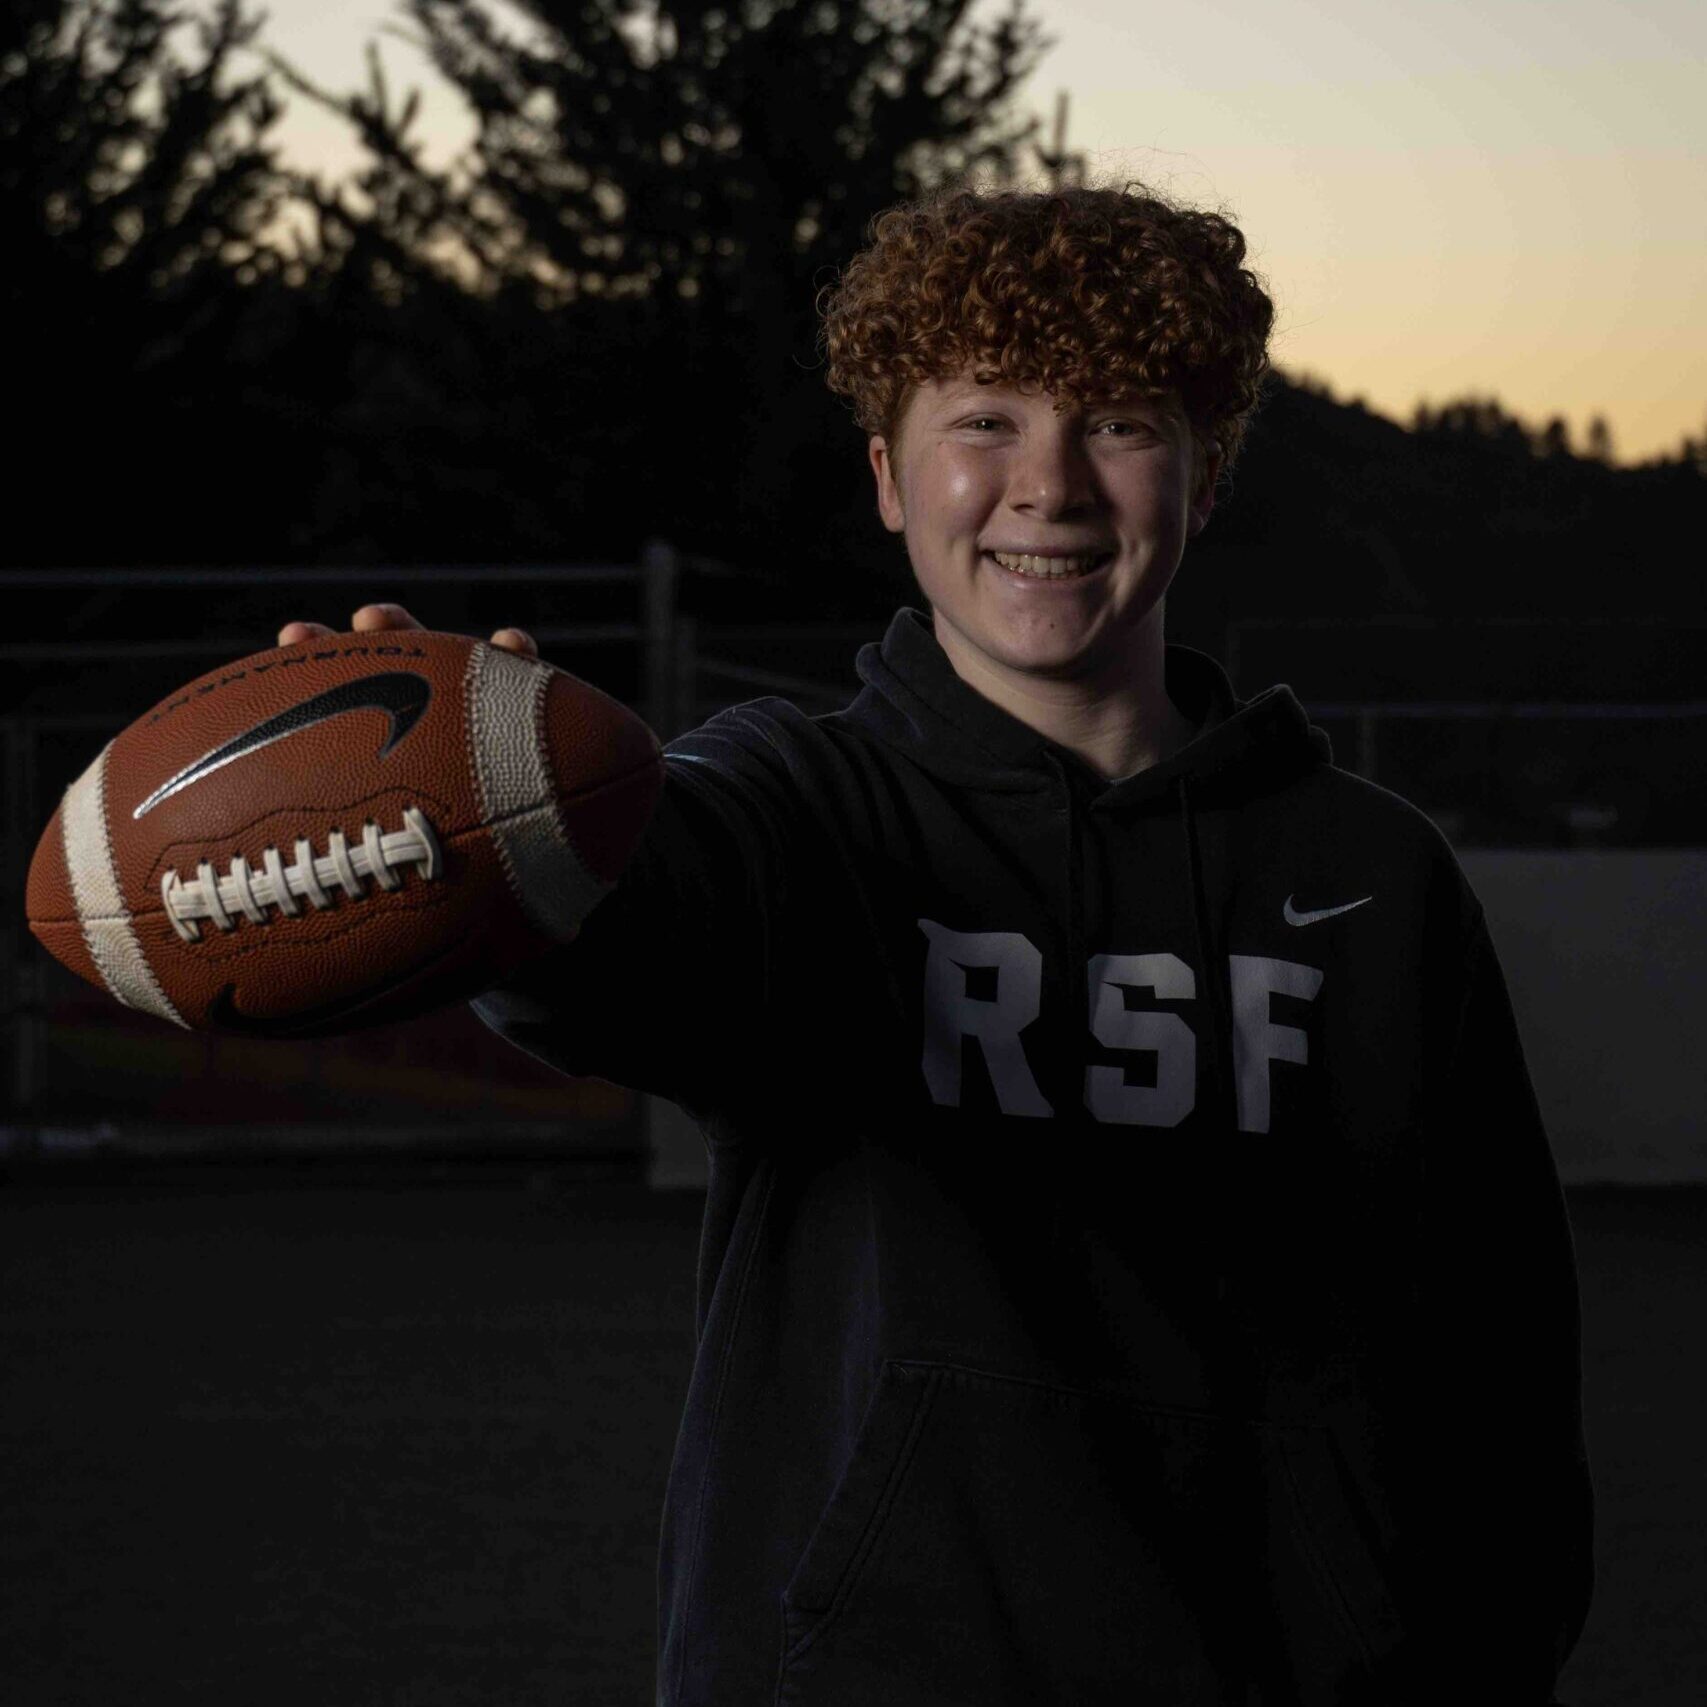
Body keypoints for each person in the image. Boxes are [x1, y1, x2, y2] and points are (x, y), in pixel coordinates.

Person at [283, 177, 1594, 1705]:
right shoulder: (796, 802)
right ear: (890, 479)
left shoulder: (1372, 875)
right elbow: (632, 929)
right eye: (985, 420)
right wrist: (496, 836)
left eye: (1120, 422)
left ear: (1206, 474)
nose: (1050, 486)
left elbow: (1495, 1357)